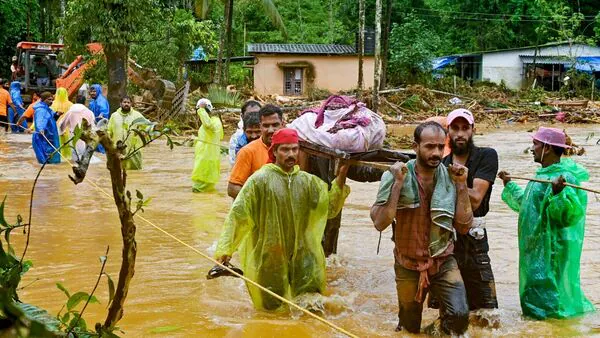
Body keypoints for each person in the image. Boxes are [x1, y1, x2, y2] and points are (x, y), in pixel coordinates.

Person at [215, 128, 350, 311]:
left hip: (304, 255)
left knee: (311, 306)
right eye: (285, 150)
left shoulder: (309, 182)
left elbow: (330, 209)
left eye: (294, 149)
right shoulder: (259, 181)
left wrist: (341, 178)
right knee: (272, 310)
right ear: (275, 151)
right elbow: (239, 215)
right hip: (270, 255)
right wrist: (226, 249)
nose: (291, 154)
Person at [370, 121, 472, 335]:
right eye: (429, 147)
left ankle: (433, 333)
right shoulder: (394, 175)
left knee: (460, 315)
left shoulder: (451, 178)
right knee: (409, 325)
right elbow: (380, 222)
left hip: (442, 259)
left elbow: (463, 227)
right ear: (415, 146)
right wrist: (398, 184)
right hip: (407, 262)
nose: (436, 153)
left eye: (440, 147)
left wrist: (462, 185)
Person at [498, 127, 594, 320]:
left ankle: (553, 327)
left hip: (552, 249)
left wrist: (559, 194)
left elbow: (569, 216)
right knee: (535, 290)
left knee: (550, 294)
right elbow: (527, 205)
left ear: (547, 148)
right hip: (535, 249)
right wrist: (509, 184)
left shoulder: (565, 178)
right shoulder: (541, 175)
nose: (532, 148)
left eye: (536, 144)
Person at [435, 109, 499, 316]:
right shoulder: (441, 164)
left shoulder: (486, 156)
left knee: (487, 313)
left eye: (465, 128)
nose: (460, 133)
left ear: (473, 130)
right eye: (455, 128)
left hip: (475, 239)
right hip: (446, 239)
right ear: (448, 131)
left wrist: (458, 182)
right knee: (448, 311)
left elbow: (475, 199)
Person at [227, 104, 283, 199]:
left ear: (283, 124)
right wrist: (260, 201)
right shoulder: (247, 151)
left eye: (275, 125)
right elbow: (232, 189)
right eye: (266, 125)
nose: (270, 130)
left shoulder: (292, 149)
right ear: (260, 126)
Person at [107, 96, 153, 170]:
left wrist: (146, 133)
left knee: (135, 173)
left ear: (131, 104)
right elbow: (108, 131)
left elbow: (148, 126)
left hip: (134, 150)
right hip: (118, 150)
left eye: (128, 102)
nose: (126, 104)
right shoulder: (114, 116)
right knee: (118, 171)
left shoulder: (137, 115)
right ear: (120, 104)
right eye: (124, 102)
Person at [191, 98, 224, 192]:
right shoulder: (210, 122)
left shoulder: (214, 122)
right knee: (203, 191)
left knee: (199, 189)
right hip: (204, 158)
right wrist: (195, 140)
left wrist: (201, 109)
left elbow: (209, 126)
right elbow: (208, 136)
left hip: (207, 159)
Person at [228, 100, 262, 166]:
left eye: (257, 114)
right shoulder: (237, 139)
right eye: (249, 114)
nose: (253, 117)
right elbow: (235, 164)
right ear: (242, 116)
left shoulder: (269, 135)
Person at [32, 92, 61, 164]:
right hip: (43, 137)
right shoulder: (41, 110)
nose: (51, 101)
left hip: (50, 136)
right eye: (49, 100)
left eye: (52, 100)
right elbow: (40, 121)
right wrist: (41, 129)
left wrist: (57, 114)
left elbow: (51, 118)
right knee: (46, 159)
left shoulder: (48, 109)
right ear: (43, 100)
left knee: (52, 157)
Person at [51, 87, 75, 159]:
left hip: (56, 127)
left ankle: (58, 158)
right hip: (68, 127)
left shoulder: (52, 104)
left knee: (57, 144)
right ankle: (68, 158)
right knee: (67, 145)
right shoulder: (71, 104)